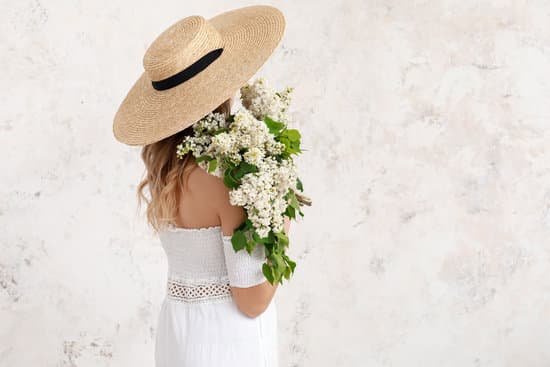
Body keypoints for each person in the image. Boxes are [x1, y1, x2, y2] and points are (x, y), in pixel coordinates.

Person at [112, 5, 287, 367]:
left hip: (179, 334)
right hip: (226, 343)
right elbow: (252, 301)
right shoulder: (229, 179)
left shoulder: (166, 172)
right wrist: (280, 219)